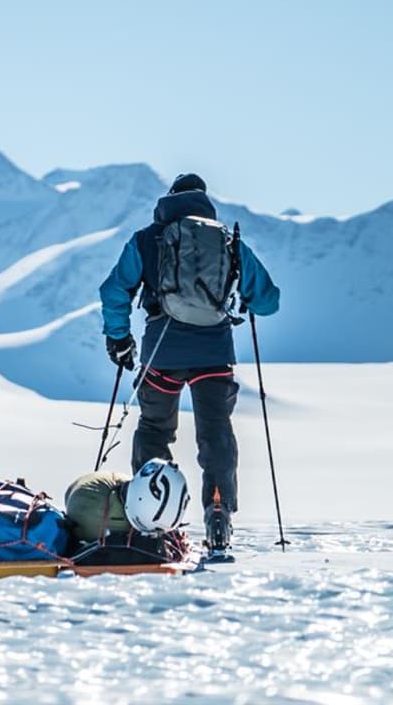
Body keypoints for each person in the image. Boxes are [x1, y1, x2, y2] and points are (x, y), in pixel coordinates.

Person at [99, 173, 280, 553]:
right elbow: (268, 302)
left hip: (162, 355)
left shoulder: (147, 239)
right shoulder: (227, 241)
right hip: (214, 355)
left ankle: (154, 517)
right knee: (216, 434)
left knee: (154, 429)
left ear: (169, 199)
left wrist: (119, 338)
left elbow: (115, 290)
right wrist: (242, 295)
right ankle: (218, 509)